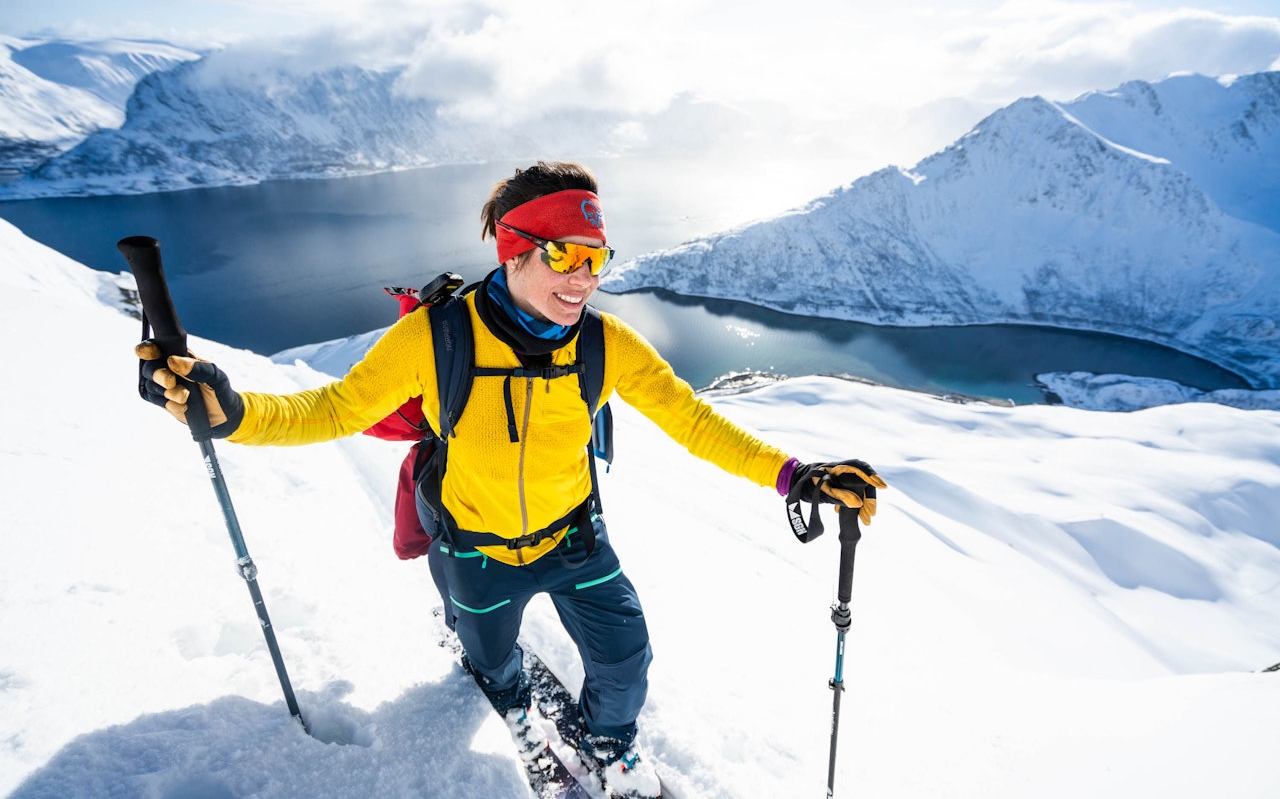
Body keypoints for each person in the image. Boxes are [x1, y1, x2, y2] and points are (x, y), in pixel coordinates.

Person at [134, 160, 886, 799]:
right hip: (476, 549)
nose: (585, 275)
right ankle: (515, 709)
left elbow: (692, 421)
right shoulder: (437, 334)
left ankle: (609, 744)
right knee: (491, 659)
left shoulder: (605, 342)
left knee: (626, 663)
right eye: (564, 255)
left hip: (574, 540)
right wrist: (232, 414)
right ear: (513, 249)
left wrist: (796, 476)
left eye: (597, 256)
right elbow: (333, 409)